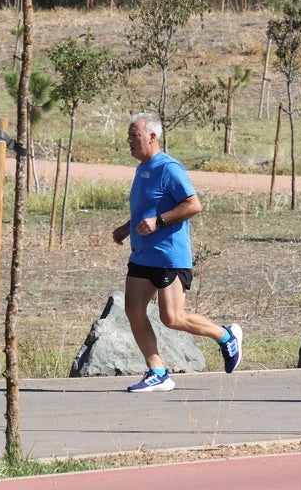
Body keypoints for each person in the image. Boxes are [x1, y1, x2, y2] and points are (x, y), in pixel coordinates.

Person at [112, 112, 242, 393]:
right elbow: (147, 209)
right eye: (129, 136)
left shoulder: (169, 168)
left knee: (172, 318)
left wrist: (159, 222)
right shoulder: (142, 169)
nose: (129, 142)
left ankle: (225, 335)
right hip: (142, 255)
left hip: (169, 257)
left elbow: (193, 205)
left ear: (152, 137)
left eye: (134, 136)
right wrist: (127, 228)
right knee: (133, 310)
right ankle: (157, 372)